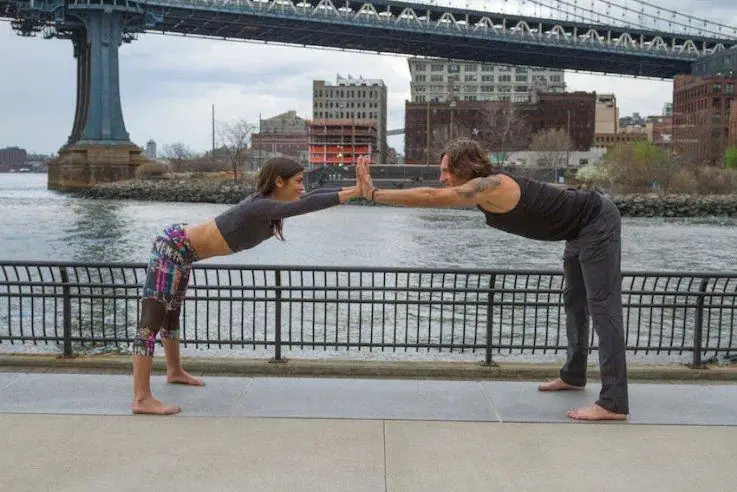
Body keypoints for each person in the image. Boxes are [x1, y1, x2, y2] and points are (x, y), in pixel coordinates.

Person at [355, 138, 628, 421]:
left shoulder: (492, 185)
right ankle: (574, 375)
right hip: (576, 229)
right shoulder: (481, 192)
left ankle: (614, 402)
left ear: (465, 167)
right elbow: (436, 193)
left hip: (597, 220)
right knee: (574, 302)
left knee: (603, 309)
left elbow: (432, 197)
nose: (441, 177)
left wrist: (375, 194)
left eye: (446, 170)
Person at [132, 157, 364, 415]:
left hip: (185, 253)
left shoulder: (269, 207)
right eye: (298, 181)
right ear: (278, 181)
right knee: (152, 321)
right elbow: (309, 203)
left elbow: (315, 195)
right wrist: (354, 192)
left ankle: (174, 371)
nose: (302, 187)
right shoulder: (261, 207)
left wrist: (355, 189)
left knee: (171, 314)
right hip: (173, 246)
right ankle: (141, 397)